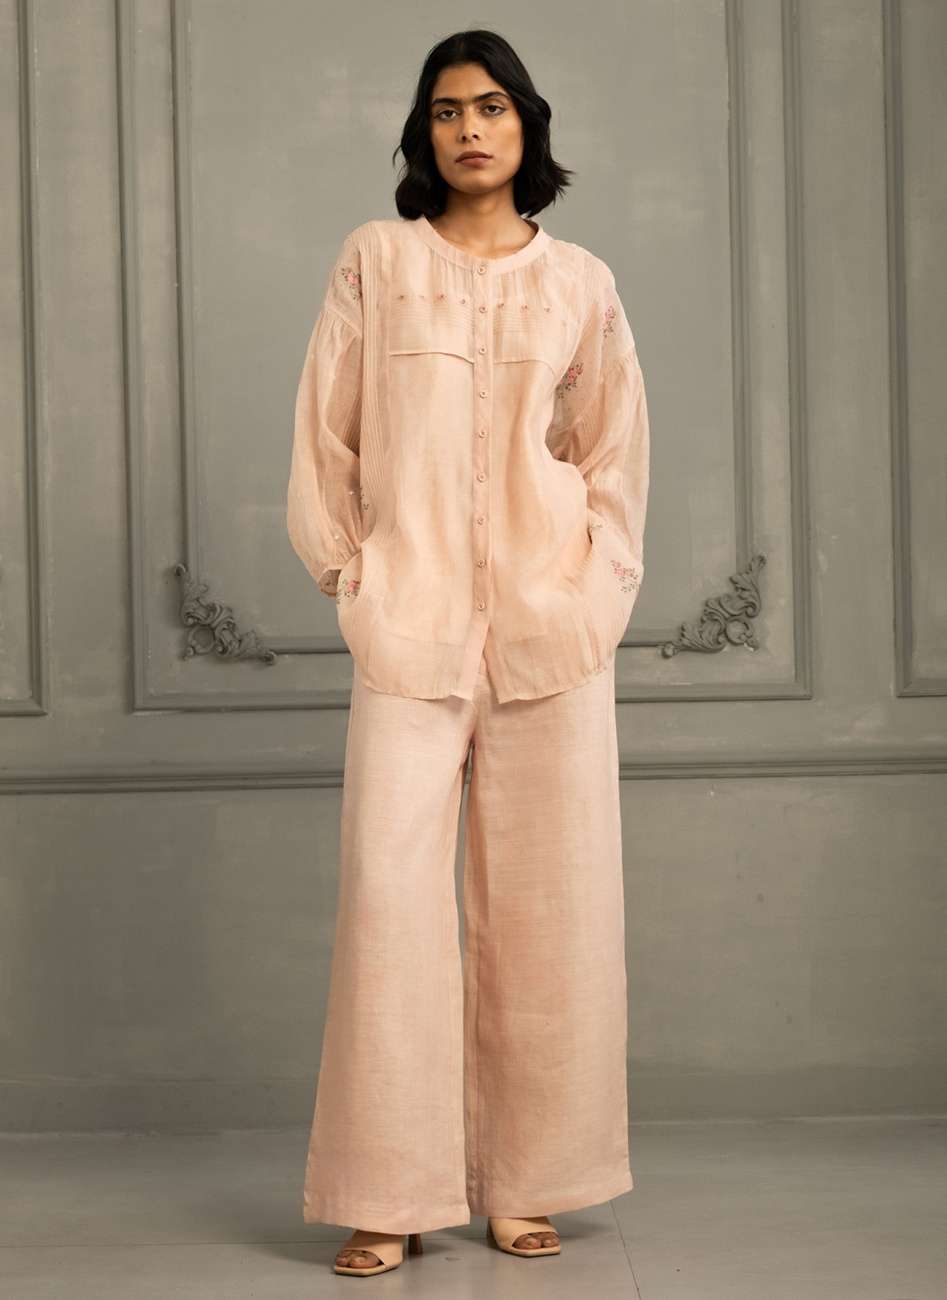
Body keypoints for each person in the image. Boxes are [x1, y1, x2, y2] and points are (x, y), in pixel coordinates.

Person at [286, 27, 650, 1279]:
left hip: (551, 629)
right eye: (445, 111)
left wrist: (594, 593)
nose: (468, 130)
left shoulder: (580, 283)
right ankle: (386, 1190)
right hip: (410, 623)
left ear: (525, 124)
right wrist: (354, 576)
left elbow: (612, 456)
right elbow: (325, 436)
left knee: (550, 908)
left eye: (490, 107)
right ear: (422, 133)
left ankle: (525, 1180)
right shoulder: (376, 263)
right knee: (388, 907)